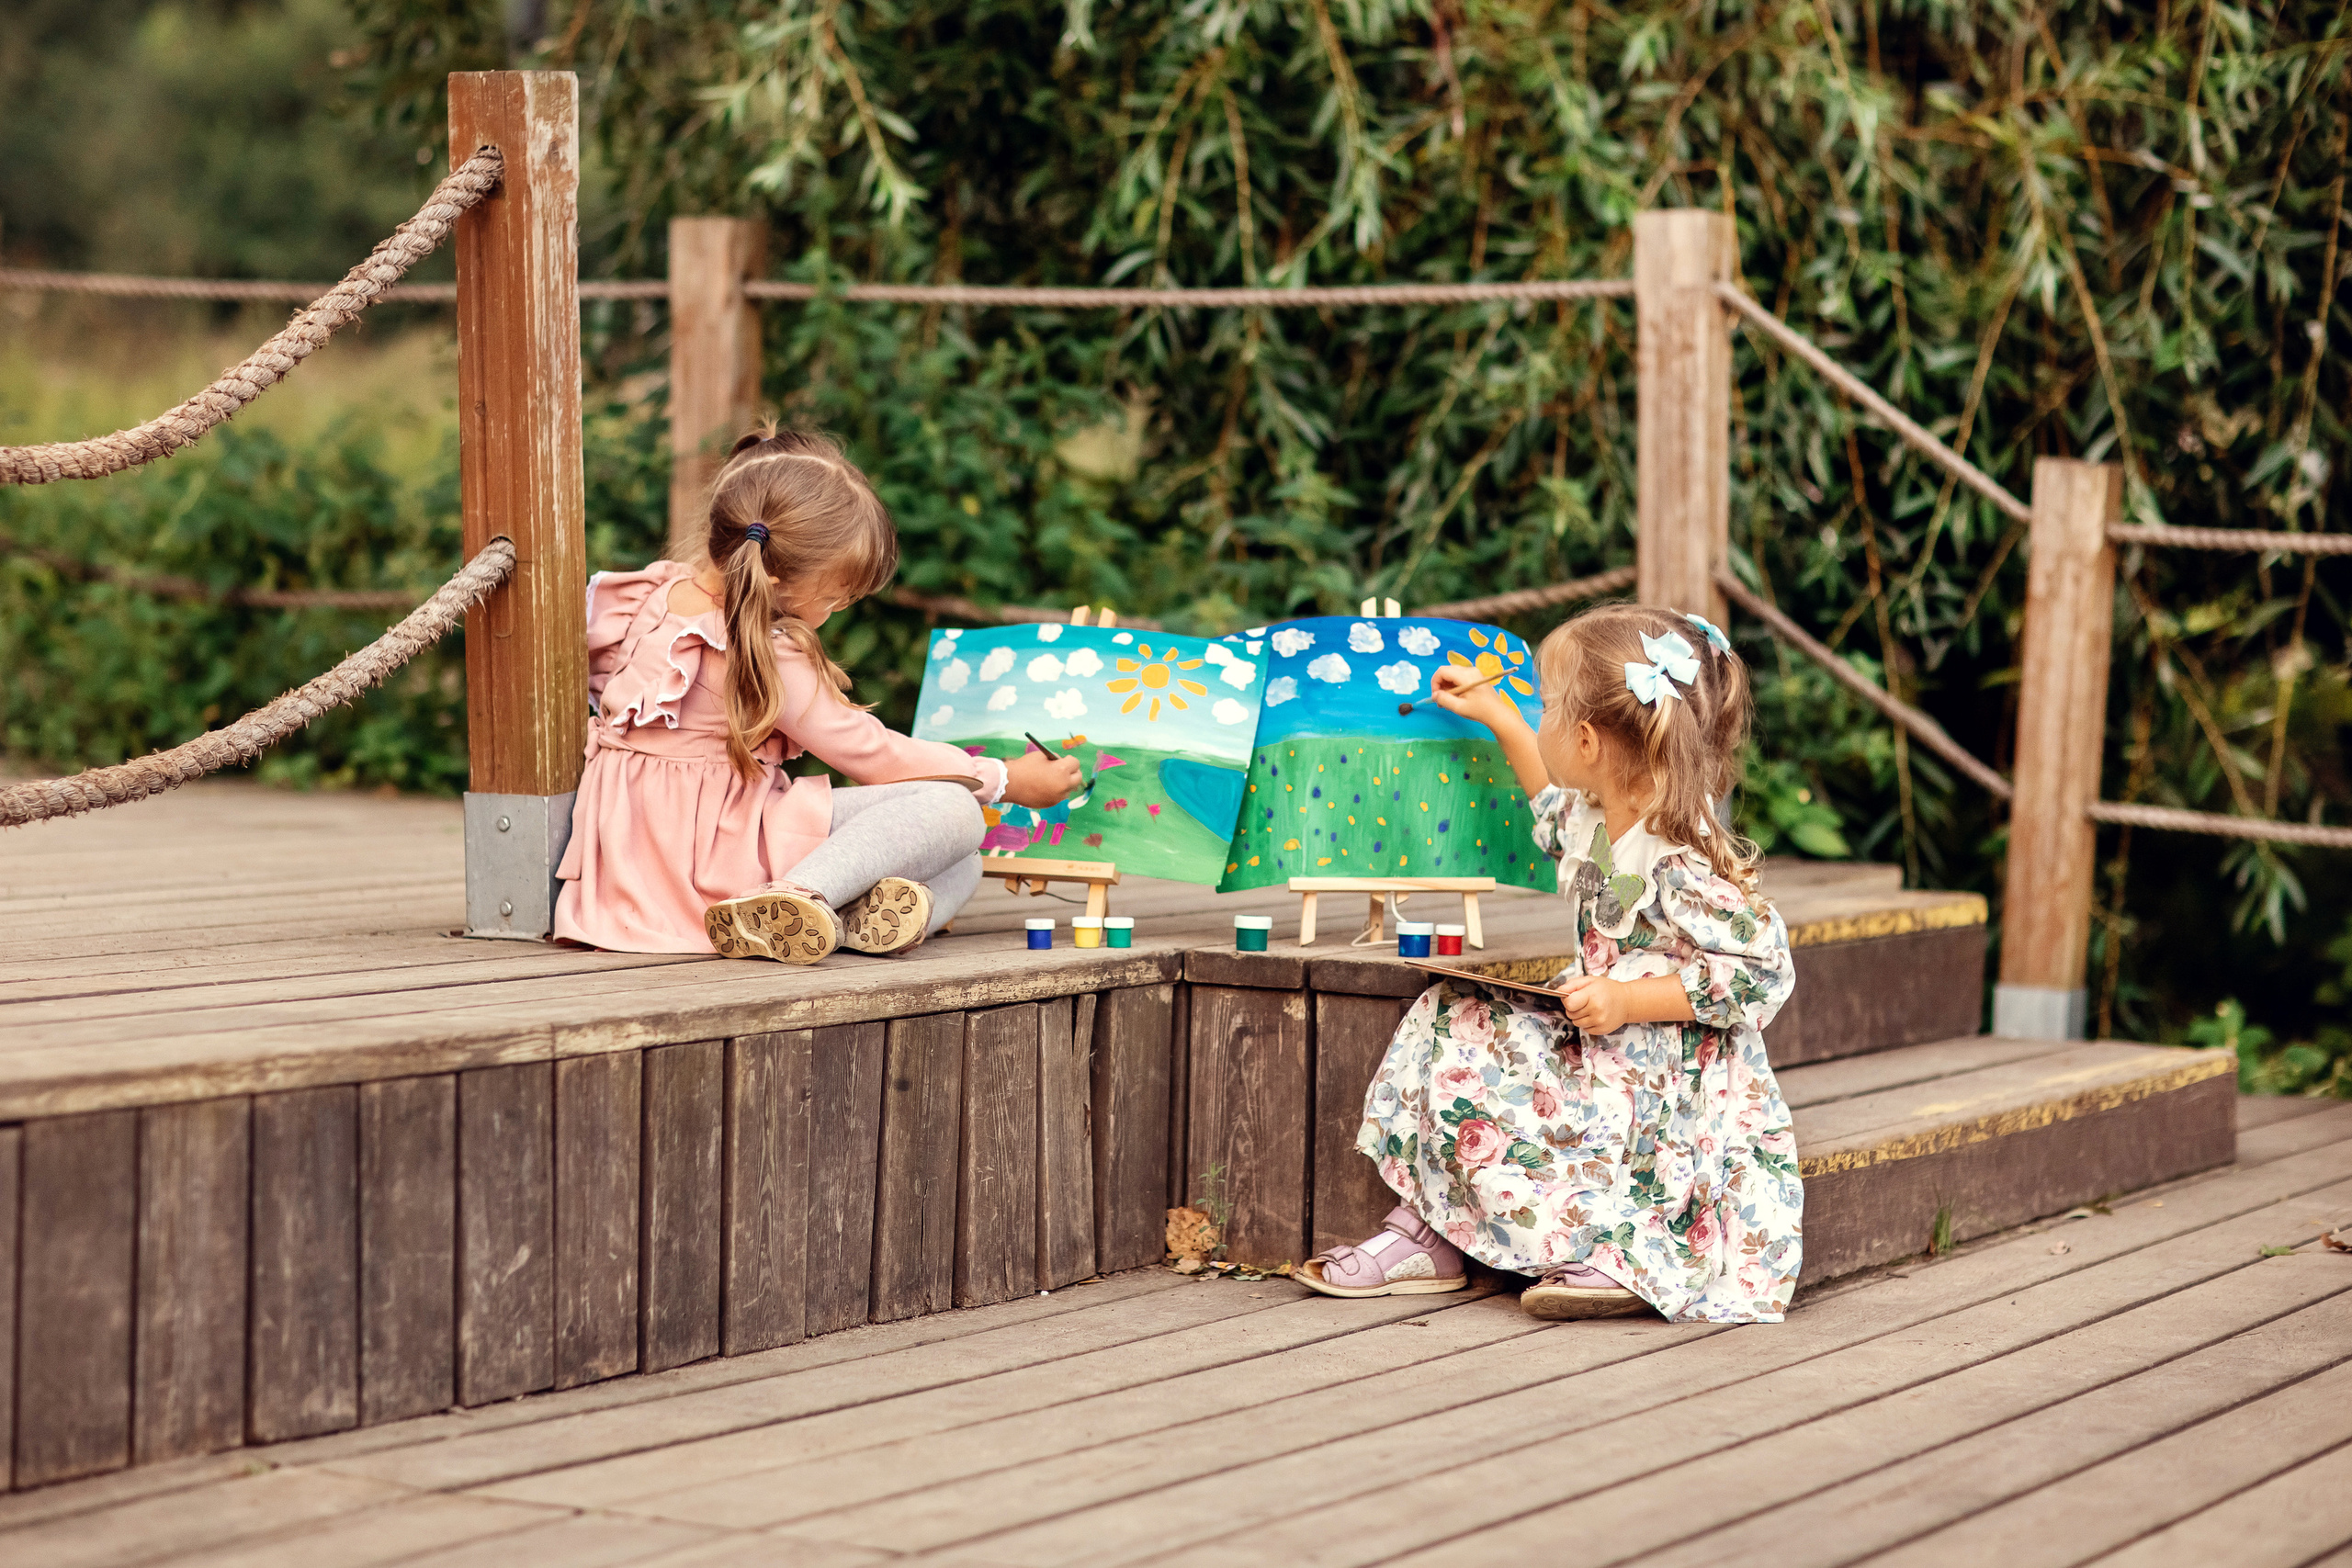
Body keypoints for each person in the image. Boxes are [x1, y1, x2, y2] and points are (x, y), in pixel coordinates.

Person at [1295, 604, 1802, 1323]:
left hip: (1669, 1080)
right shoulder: (1598, 815)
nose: (1542, 717)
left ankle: (1628, 1251)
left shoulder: (1682, 860)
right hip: (1597, 1041)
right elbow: (1547, 804)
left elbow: (1764, 972)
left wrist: (1633, 1001)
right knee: (1454, 1013)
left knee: (1620, 1123)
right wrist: (1497, 714)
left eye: (1547, 707)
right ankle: (1437, 1226)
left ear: (1589, 740)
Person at [553, 428, 1080, 962]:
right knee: (957, 812)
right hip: (714, 855)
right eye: (833, 598)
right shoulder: (760, 647)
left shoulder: (648, 596)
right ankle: (794, 898)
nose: (833, 614)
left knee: (960, 862)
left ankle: (823, 919)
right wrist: (1006, 779)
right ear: (777, 577)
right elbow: (872, 755)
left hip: (628, 863)